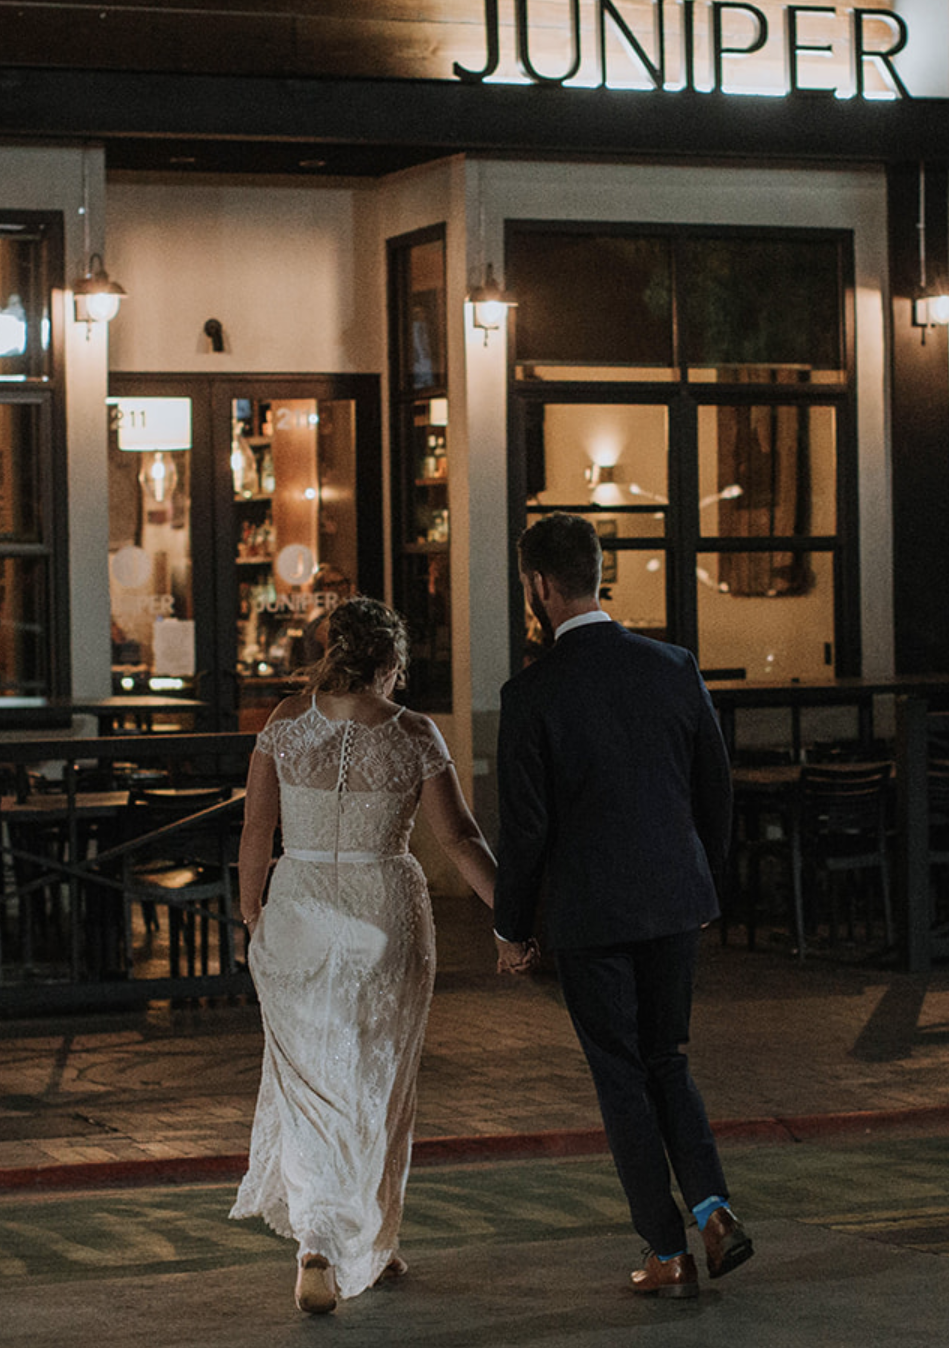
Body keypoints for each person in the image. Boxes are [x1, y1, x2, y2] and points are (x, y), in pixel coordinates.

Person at [494, 512, 751, 1301]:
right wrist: (702, 881)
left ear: (537, 586)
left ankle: (666, 1252)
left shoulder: (531, 694)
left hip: (591, 916)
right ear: (598, 572)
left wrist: (511, 927)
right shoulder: (674, 665)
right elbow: (717, 792)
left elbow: (527, 828)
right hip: (675, 901)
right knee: (667, 1057)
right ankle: (714, 1210)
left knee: (621, 1078)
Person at [230, 597, 500, 1315]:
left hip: (299, 911)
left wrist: (253, 914)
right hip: (386, 913)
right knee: (380, 1080)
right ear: (389, 664)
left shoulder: (285, 723)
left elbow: (256, 833)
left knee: (314, 1083)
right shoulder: (413, 733)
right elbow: (460, 840)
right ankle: (367, 1239)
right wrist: (513, 916)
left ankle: (323, 1243)